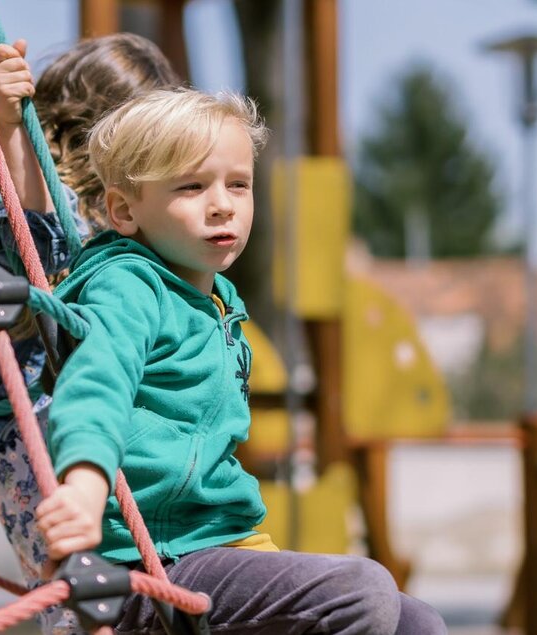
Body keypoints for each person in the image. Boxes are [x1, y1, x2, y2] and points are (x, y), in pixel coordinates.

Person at [37, 88, 448, 634]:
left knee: (417, 621)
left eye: (238, 184)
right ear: (123, 210)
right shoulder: (126, 287)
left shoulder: (219, 301)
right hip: (151, 565)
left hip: (218, 548)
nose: (222, 204)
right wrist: (85, 486)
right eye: (191, 186)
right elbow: (97, 381)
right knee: (363, 592)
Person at [0, 33, 180, 631]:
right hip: (38, 419)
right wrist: (9, 128)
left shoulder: (110, 202)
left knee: (137, 595)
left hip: (100, 419)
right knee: (84, 602)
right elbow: (22, 280)